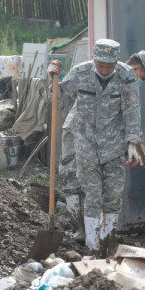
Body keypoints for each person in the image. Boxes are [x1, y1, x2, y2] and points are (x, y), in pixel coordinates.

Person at [48, 39, 145, 256]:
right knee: (93, 194)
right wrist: (52, 81)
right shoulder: (80, 73)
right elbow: (58, 99)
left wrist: (134, 142)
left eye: (109, 65)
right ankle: (93, 247)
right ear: (93, 59)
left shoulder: (125, 76)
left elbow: (133, 110)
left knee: (112, 196)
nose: (105, 70)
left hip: (114, 144)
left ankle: (108, 242)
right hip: (85, 142)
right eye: (101, 65)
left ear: (117, 61)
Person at [58, 102, 85, 243]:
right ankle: (79, 228)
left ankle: (95, 230)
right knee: (71, 176)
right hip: (78, 127)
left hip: (99, 130)